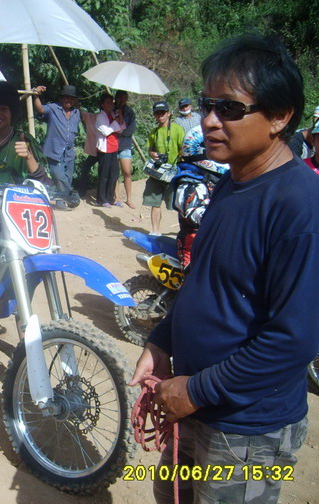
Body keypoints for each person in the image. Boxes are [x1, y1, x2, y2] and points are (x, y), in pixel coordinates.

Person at [129, 34, 319, 504]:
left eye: (230, 108)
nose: (210, 120)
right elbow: (206, 282)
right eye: (208, 105)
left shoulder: (300, 207)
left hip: (244, 429)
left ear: (280, 116)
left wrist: (197, 390)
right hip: (195, 404)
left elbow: (295, 339)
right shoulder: (232, 183)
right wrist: (162, 341)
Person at [0, 81, 50, 217]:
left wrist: (28, 157)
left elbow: (46, 185)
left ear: (13, 111)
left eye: (3, 109)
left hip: (16, 214)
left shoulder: (25, 141)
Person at [171, 125, 228, 268]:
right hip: (193, 245)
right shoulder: (189, 182)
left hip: (215, 240)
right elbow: (192, 214)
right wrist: (221, 216)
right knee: (198, 278)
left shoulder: (217, 179)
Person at [142, 101, 185, 236]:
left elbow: (183, 149)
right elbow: (150, 149)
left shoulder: (177, 129)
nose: (160, 115)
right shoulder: (154, 132)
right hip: (158, 172)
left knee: (178, 204)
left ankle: (183, 231)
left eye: (162, 113)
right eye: (157, 113)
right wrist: (152, 154)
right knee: (155, 203)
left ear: (169, 113)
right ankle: (155, 231)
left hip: (173, 173)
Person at [32, 84, 81, 197]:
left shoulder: (76, 112)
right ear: (61, 98)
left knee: (67, 178)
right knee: (58, 176)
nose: (69, 100)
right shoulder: (53, 108)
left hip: (69, 152)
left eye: (72, 98)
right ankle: (70, 196)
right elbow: (40, 109)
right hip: (54, 150)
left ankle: (61, 201)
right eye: (67, 97)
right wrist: (36, 96)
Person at [86, 92, 125, 207]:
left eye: (111, 102)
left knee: (113, 174)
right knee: (104, 175)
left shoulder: (113, 115)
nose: (110, 105)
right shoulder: (100, 117)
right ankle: (101, 199)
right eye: (107, 102)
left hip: (114, 148)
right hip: (104, 149)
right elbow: (106, 131)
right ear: (102, 104)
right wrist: (116, 122)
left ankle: (110, 198)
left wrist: (120, 117)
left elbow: (121, 129)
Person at [114, 90, 136, 208]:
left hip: (125, 145)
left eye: (124, 98)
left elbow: (131, 130)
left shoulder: (130, 112)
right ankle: (116, 197)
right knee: (115, 173)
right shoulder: (111, 110)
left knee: (127, 172)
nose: (121, 100)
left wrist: (120, 131)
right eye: (120, 97)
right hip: (113, 144)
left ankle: (129, 199)